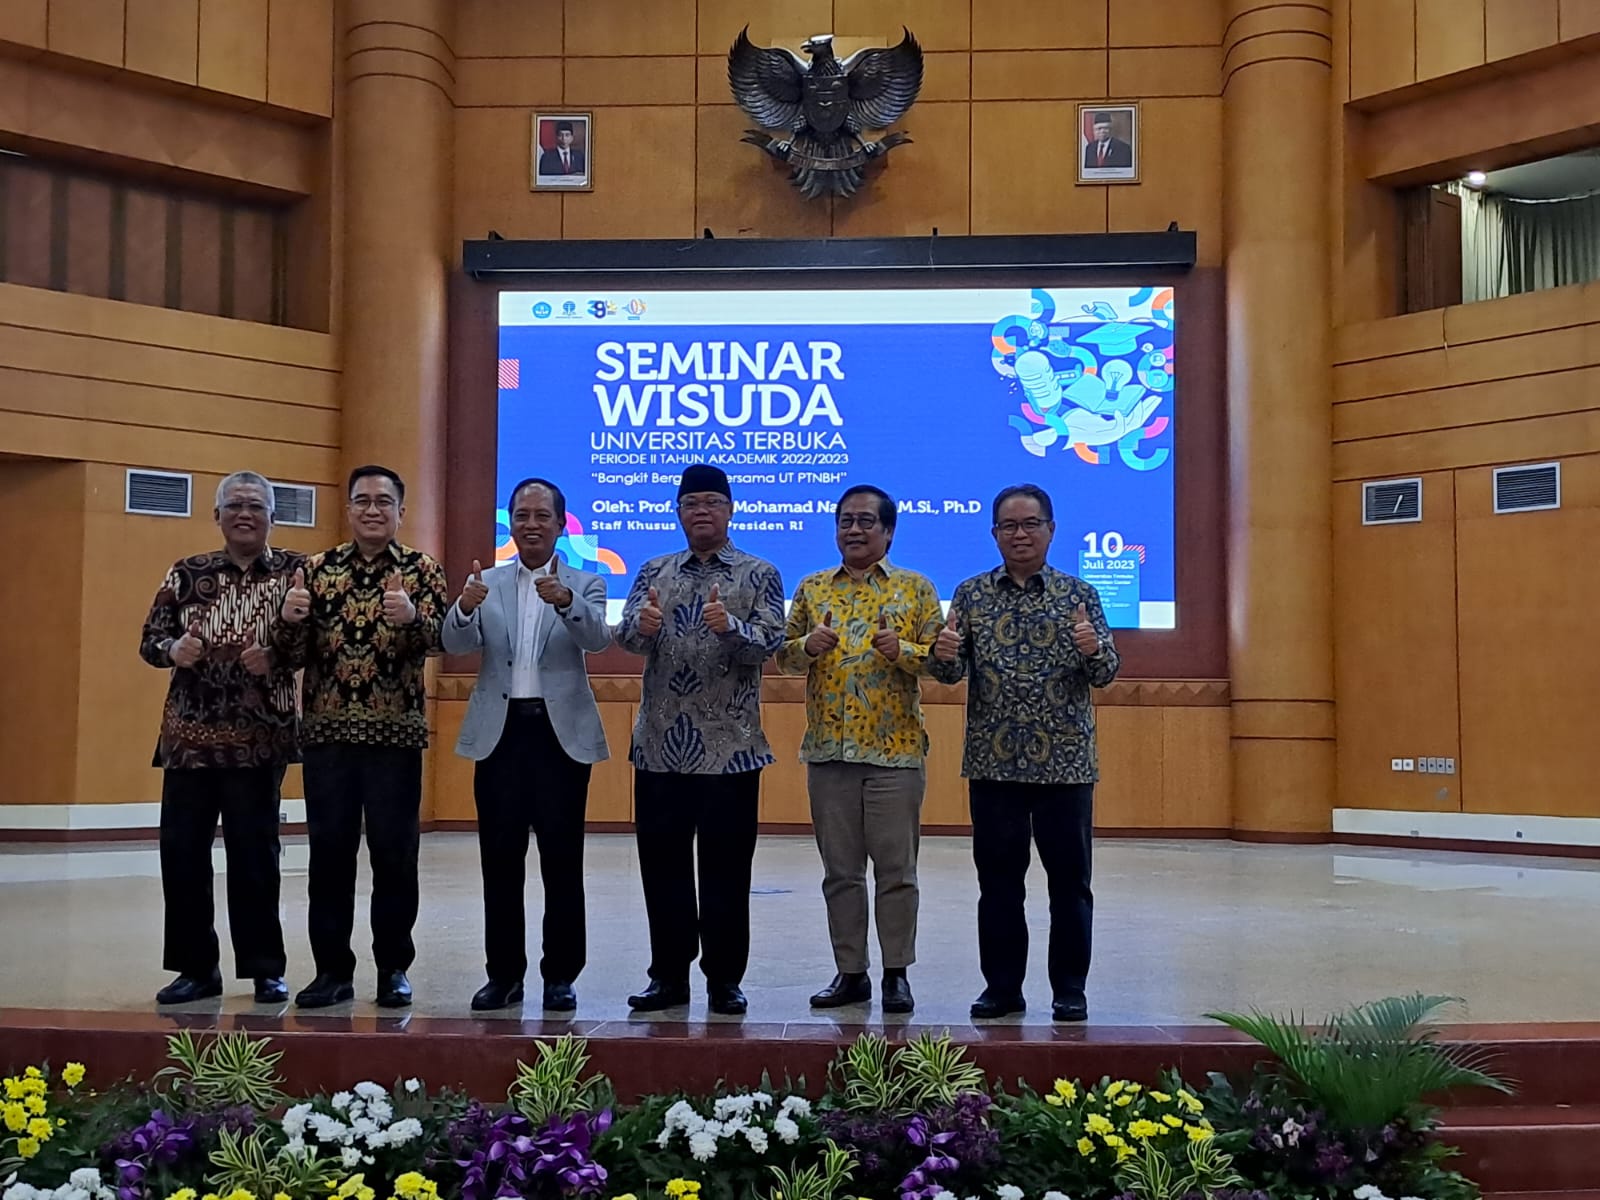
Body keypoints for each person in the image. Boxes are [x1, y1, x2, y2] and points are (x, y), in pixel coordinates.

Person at [930, 483, 1119, 1023]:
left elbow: (1105, 673)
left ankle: (1070, 990)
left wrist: (1094, 648)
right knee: (998, 886)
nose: (1020, 534)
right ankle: (1003, 989)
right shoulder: (970, 595)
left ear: (1051, 529)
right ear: (994, 534)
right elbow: (950, 673)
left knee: (1070, 887)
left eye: (1030, 524)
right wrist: (943, 655)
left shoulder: (1078, 595)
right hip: (994, 765)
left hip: (1065, 766)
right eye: (1009, 526)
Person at [272, 465, 448, 1009]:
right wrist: (289, 619)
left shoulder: (422, 570)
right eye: (362, 501)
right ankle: (332, 971)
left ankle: (394, 967)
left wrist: (413, 617)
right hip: (327, 738)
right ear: (348, 509)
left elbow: (444, 640)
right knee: (329, 857)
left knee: (395, 858)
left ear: (401, 511)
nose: (373, 510)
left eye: (383, 502)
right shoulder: (315, 570)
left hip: (395, 737)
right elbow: (289, 655)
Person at [614, 463, 785, 1016]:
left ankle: (724, 980)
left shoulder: (759, 574)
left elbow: (770, 646)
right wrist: (641, 628)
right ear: (679, 511)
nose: (702, 512)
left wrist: (728, 629)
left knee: (727, 873)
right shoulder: (653, 570)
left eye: (713, 502)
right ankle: (667, 975)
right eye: (692, 503)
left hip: (731, 751)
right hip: (661, 748)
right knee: (661, 869)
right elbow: (624, 639)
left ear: (730, 510)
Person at [440, 478, 611, 1013]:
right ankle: (504, 974)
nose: (531, 524)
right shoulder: (485, 582)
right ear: (509, 523)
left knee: (562, 862)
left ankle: (561, 975)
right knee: (500, 861)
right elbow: (454, 644)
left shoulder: (589, 580)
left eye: (542, 515)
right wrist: (464, 609)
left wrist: (566, 602)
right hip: (501, 736)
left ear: (562, 525)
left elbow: (598, 641)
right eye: (521, 515)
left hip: (560, 739)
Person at [777, 485, 943, 1015]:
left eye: (866, 521)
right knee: (840, 874)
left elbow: (943, 661)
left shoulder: (916, 590)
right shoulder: (812, 588)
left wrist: (905, 651)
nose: (854, 529)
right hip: (829, 754)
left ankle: (897, 973)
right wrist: (807, 648)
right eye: (846, 520)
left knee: (896, 872)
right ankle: (851, 973)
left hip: (894, 753)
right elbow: (782, 657)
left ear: (888, 531)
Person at [138, 471, 302, 1006]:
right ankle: (195, 968)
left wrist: (277, 655)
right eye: (234, 505)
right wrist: (171, 651)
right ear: (217, 516)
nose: (245, 513)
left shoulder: (297, 573)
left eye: (256, 505)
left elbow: (317, 644)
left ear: (272, 516)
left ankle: (264, 969)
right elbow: (150, 639)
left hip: (260, 739)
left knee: (256, 858)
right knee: (182, 855)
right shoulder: (187, 573)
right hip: (188, 739)